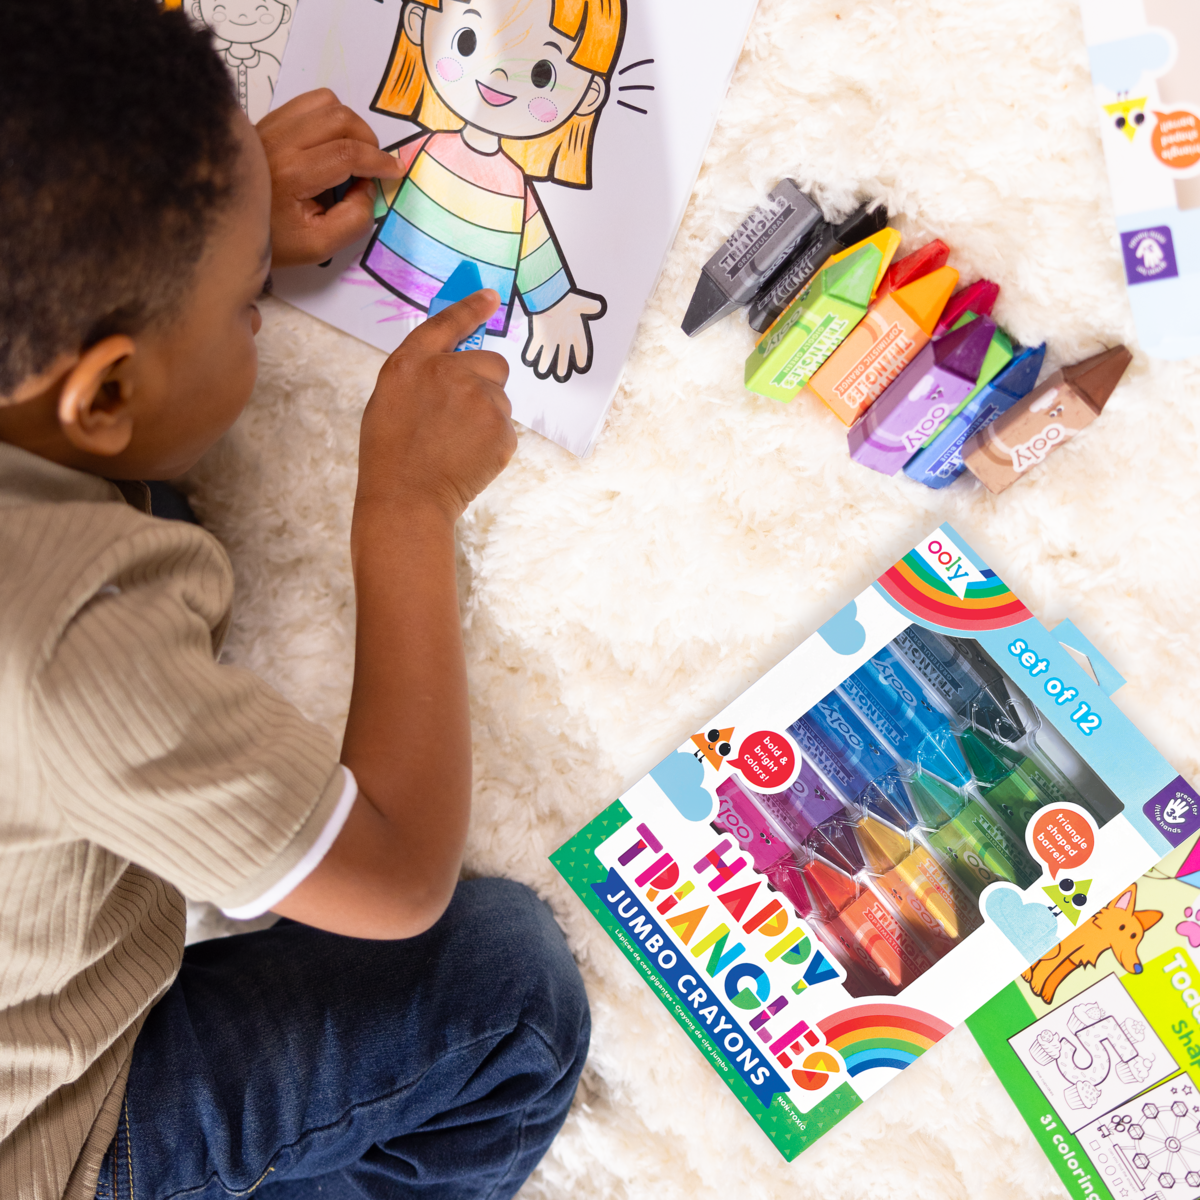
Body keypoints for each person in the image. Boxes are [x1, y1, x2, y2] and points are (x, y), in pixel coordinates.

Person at [0, 4, 590, 1199]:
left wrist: (195, 215)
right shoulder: (76, 638)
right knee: (509, 999)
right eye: (240, 306)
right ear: (102, 392)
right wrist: (406, 511)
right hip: (42, 1145)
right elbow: (393, 873)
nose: (261, 308)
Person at [362, 0, 625, 382]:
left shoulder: (514, 186)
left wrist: (554, 304)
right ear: (417, 23)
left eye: (541, 73)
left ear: (588, 96)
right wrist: (339, 206)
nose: (499, 75)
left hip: (470, 321)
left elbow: (534, 247)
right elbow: (376, 190)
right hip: (388, 286)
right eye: (467, 40)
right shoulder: (428, 147)